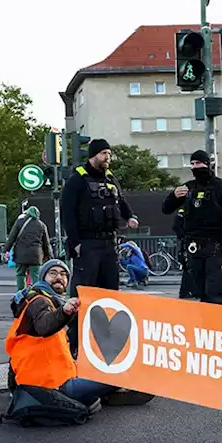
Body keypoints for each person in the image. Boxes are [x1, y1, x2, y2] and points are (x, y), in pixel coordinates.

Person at [5, 259, 122, 406]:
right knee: (118, 376)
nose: (59, 277)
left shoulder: (38, 299)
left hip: (40, 384)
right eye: (52, 273)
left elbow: (16, 356)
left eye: (63, 274)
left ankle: (98, 393)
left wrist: (15, 390)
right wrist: (65, 312)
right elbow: (45, 326)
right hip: (54, 387)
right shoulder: (39, 301)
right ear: (43, 278)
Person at [60, 138, 137, 353]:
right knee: (83, 295)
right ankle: (75, 344)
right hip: (87, 244)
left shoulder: (111, 179)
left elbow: (120, 201)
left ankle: (106, 344)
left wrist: (129, 217)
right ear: (94, 155)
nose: (108, 158)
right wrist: (75, 242)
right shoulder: (77, 180)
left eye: (109, 154)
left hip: (109, 244)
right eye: (104, 154)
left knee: (110, 294)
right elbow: (68, 213)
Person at [162, 150, 222, 304]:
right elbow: (166, 209)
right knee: (197, 290)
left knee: (215, 292)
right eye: (192, 164)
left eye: (198, 163)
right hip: (193, 246)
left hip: (214, 245)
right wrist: (173, 196)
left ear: (208, 164)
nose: (195, 167)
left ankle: (215, 325)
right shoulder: (188, 188)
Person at [5, 206, 50, 290]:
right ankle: (37, 294)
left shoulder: (19, 222)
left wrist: (6, 250)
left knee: (20, 274)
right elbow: (46, 243)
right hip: (35, 255)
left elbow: (12, 237)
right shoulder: (42, 225)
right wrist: (48, 255)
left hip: (21, 254)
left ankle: (21, 293)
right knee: (36, 275)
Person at [173, 207, 193, 299]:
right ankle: (185, 291)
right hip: (186, 243)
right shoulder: (183, 211)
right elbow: (176, 227)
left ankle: (191, 290)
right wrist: (185, 238)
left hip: (192, 241)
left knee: (192, 267)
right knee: (188, 267)